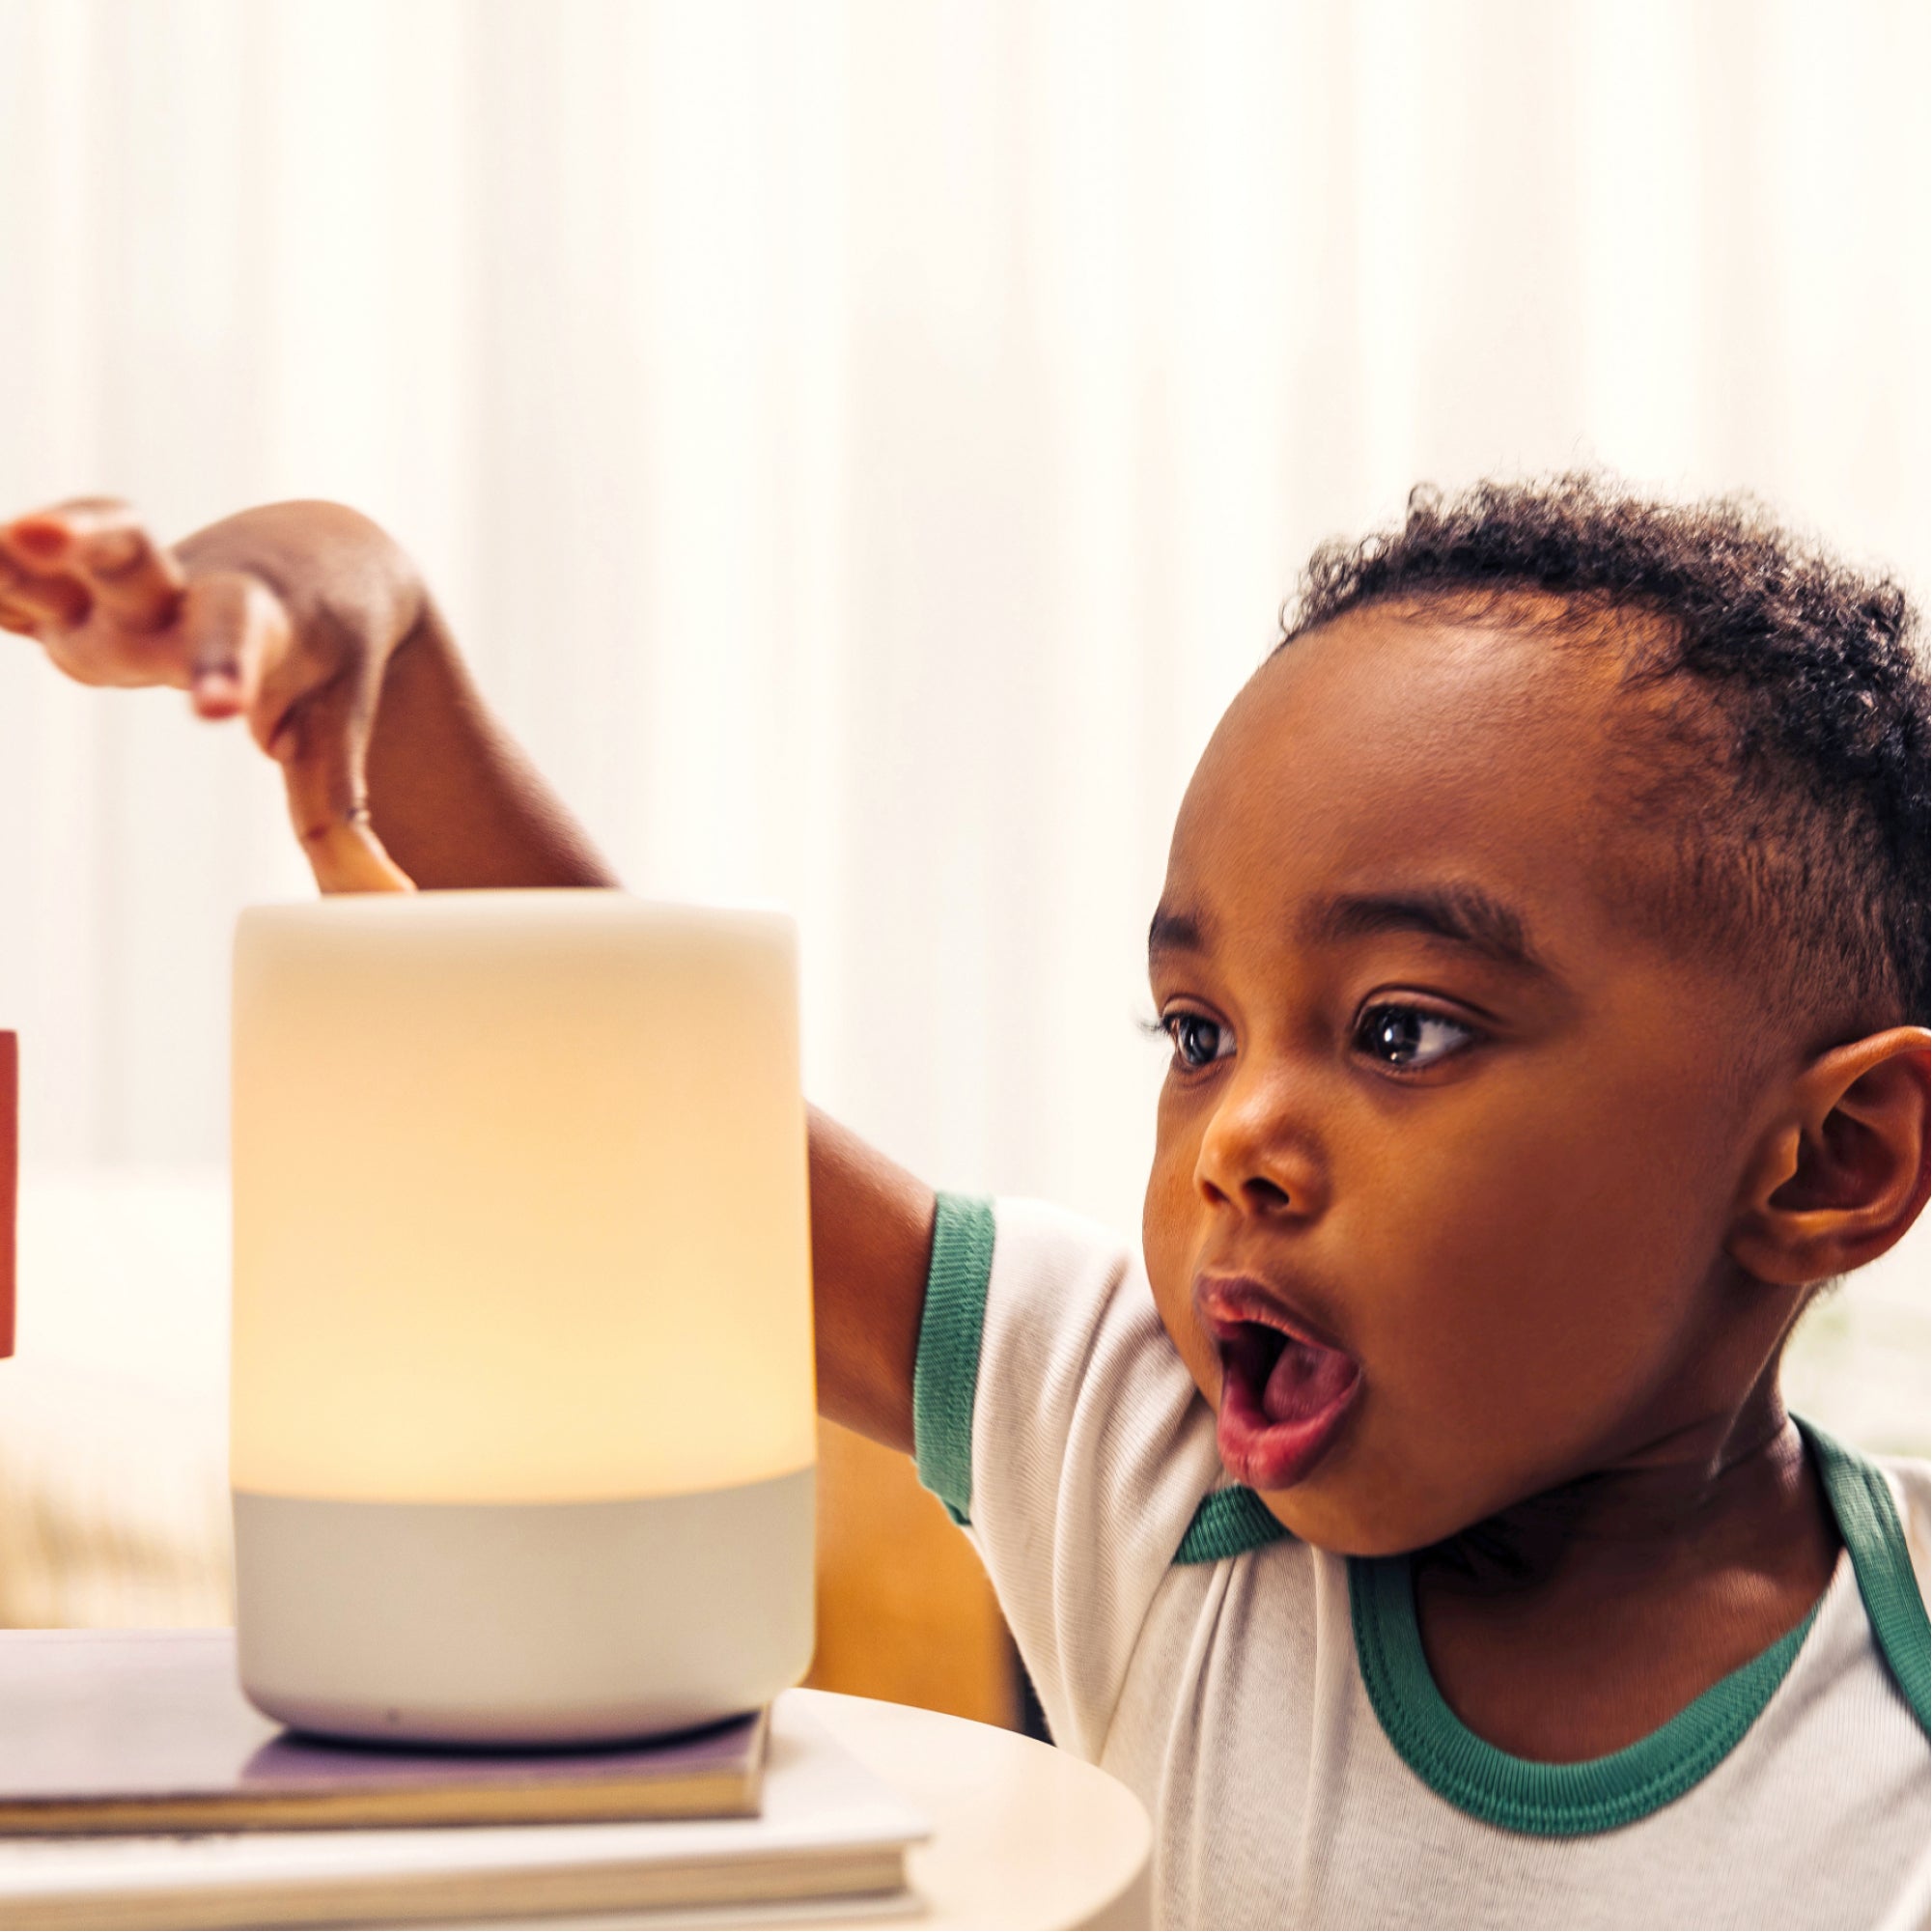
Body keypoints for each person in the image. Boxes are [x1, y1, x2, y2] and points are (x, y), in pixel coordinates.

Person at [4, 477, 1926, 1928]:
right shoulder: (1147, 1445)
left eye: (1402, 1028)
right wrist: (378, 628)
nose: (1235, 1133)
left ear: (1825, 1162)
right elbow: (663, 1102)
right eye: (1191, 1026)